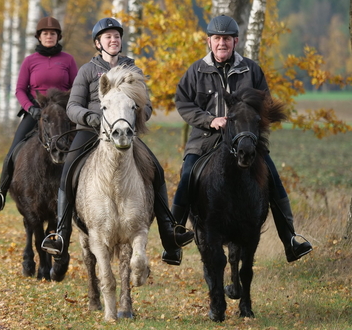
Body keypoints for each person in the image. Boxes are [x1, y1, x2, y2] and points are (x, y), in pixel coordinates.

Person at [40, 18, 194, 276]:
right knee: (68, 174)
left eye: (116, 36)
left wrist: (133, 117)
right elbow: (72, 106)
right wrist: (90, 117)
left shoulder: (131, 68)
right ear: (98, 43)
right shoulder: (88, 71)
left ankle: (170, 232)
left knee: (154, 168)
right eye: (108, 36)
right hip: (91, 132)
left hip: (124, 132)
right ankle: (61, 234)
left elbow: (147, 104)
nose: (114, 40)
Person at [172, 14, 313, 262]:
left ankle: (290, 240)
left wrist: (247, 124)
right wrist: (210, 120)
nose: (221, 43)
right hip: (205, 139)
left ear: (235, 41)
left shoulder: (252, 70)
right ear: (209, 41)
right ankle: (173, 238)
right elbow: (183, 102)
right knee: (187, 176)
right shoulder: (196, 70)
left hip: (245, 141)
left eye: (226, 39)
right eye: (216, 39)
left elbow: (265, 105)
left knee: (272, 177)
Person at [0, 16, 78, 211]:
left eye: (53, 34)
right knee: (13, 150)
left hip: (62, 115)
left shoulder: (68, 60)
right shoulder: (30, 61)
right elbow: (19, 89)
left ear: (58, 36)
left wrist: (69, 107)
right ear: (39, 37)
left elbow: (76, 88)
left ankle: (81, 195)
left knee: (80, 149)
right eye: (45, 33)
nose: (49, 36)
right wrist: (30, 108)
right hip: (36, 112)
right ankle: (0, 193)